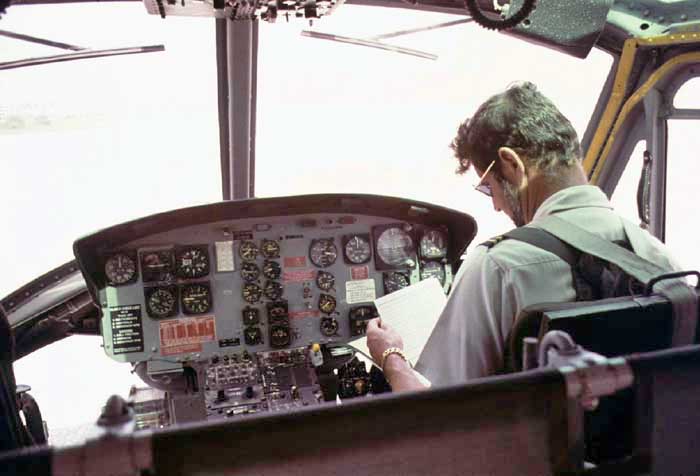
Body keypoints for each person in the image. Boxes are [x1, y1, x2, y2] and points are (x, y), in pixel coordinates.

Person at [366, 81, 679, 391]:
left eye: (489, 187)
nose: (496, 205)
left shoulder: (500, 267)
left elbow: (433, 417)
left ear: (511, 163)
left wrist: (390, 355)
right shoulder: (658, 260)